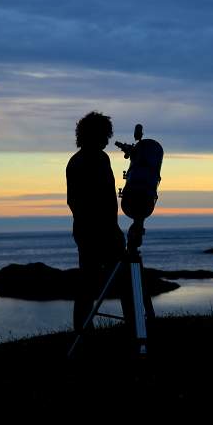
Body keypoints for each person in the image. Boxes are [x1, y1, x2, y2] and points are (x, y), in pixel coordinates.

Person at [66, 111, 126, 333]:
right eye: (104, 133)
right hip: (92, 231)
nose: (107, 139)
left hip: (104, 229)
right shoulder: (80, 162)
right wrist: (101, 228)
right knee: (90, 284)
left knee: (98, 282)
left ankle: (85, 330)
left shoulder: (101, 158)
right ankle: (83, 331)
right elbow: (75, 201)